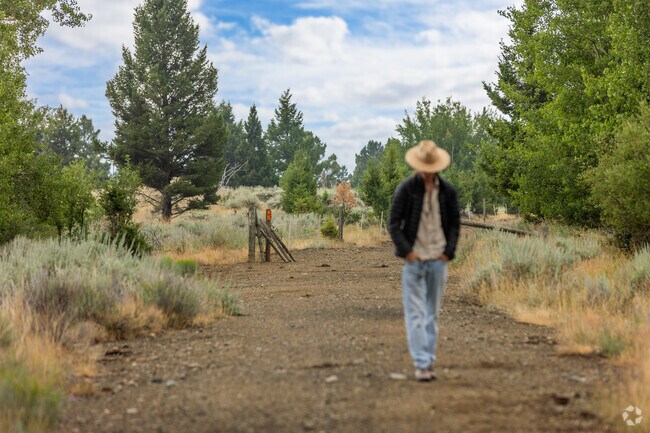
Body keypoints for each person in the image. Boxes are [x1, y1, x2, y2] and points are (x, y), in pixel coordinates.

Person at [388, 139, 460, 382]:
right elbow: (393, 224)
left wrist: (447, 253)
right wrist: (407, 252)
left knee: (432, 313)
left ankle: (428, 361)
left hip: (438, 259)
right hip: (415, 260)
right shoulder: (406, 189)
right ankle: (421, 364)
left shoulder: (448, 192)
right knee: (416, 314)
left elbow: (454, 225)